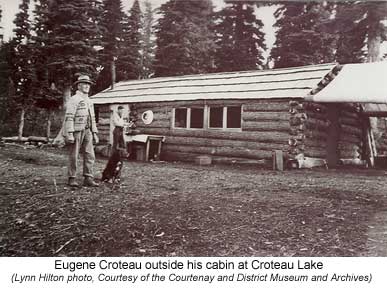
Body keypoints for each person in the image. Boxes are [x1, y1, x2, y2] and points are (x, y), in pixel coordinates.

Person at [63, 75, 99, 187]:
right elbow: (69, 117)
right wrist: (69, 133)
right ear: (79, 86)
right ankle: (72, 178)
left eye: (88, 84)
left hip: (88, 131)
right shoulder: (74, 99)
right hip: (77, 131)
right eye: (84, 84)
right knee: (74, 155)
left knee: (90, 154)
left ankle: (88, 177)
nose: (87, 86)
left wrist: (95, 133)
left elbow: (92, 118)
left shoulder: (89, 101)